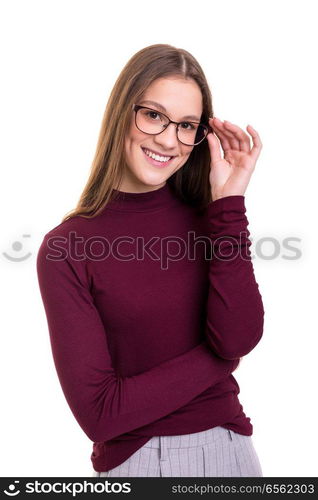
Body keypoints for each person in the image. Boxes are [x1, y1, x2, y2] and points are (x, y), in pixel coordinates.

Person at [36, 43, 264, 477]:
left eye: (186, 125)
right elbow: (99, 413)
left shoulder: (214, 220)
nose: (168, 139)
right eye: (154, 115)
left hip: (230, 450)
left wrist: (230, 202)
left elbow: (239, 337)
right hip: (138, 464)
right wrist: (219, 358)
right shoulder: (67, 248)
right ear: (124, 111)